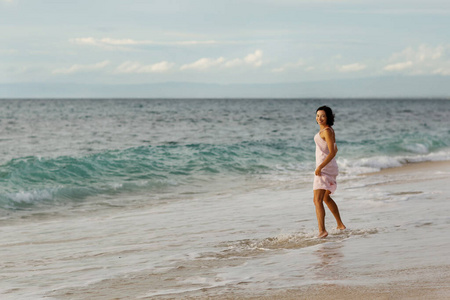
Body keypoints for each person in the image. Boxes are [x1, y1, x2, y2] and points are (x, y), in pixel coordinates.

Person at [313, 106, 346, 238]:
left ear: (328, 118)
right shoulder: (329, 130)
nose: (319, 118)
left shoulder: (326, 131)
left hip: (325, 168)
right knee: (325, 197)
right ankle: (340, 224)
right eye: (317, 115)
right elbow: (335, 150)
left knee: (317, 200)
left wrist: (320, 166)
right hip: (328, 167)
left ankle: (322, 231)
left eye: (323, 116)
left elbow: (332, 152)